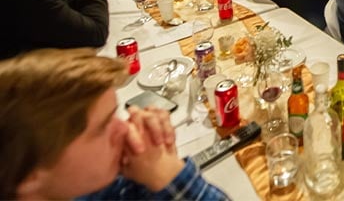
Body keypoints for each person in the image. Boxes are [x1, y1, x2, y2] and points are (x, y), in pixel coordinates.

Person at [0, 48, 228, 200]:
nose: (125, 127)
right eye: (103, 126)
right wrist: (169, 174)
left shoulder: (78, 188)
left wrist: (150, 169)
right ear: (30, 176)